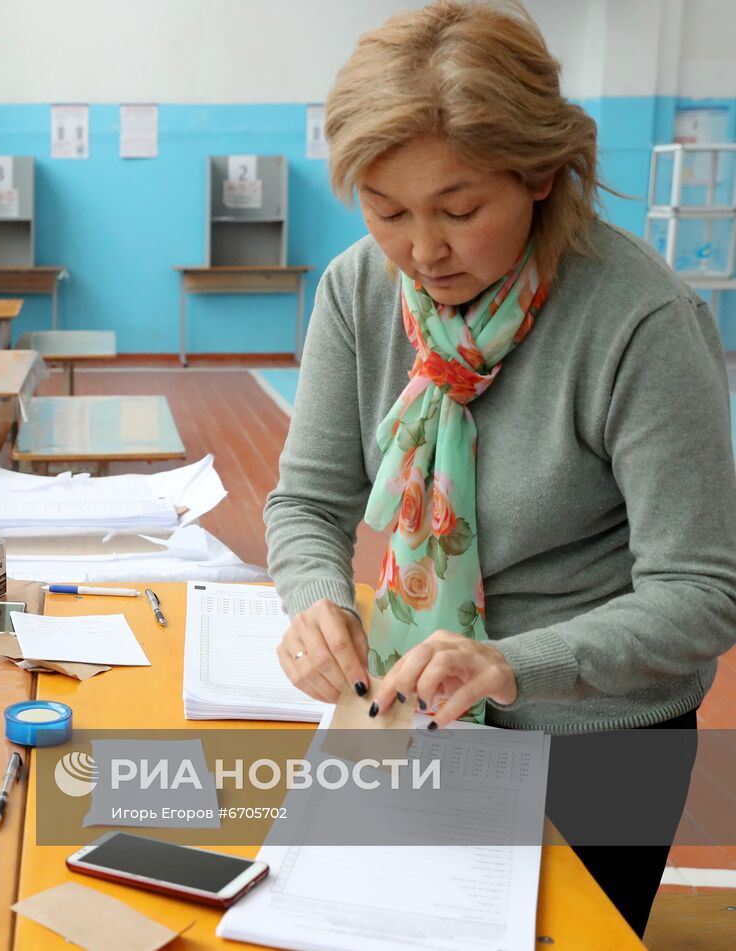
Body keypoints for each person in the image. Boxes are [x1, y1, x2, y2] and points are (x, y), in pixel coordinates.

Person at [263, 0, 736, 935]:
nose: (422, 250)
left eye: (461, 209)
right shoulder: (360, 290)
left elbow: (701, 592)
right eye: (387, 210)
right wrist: (314, 597)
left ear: (543, 175)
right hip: (414, 719)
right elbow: (308, 500)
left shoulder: (641, 323)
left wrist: (513, 663)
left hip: (596, 741)